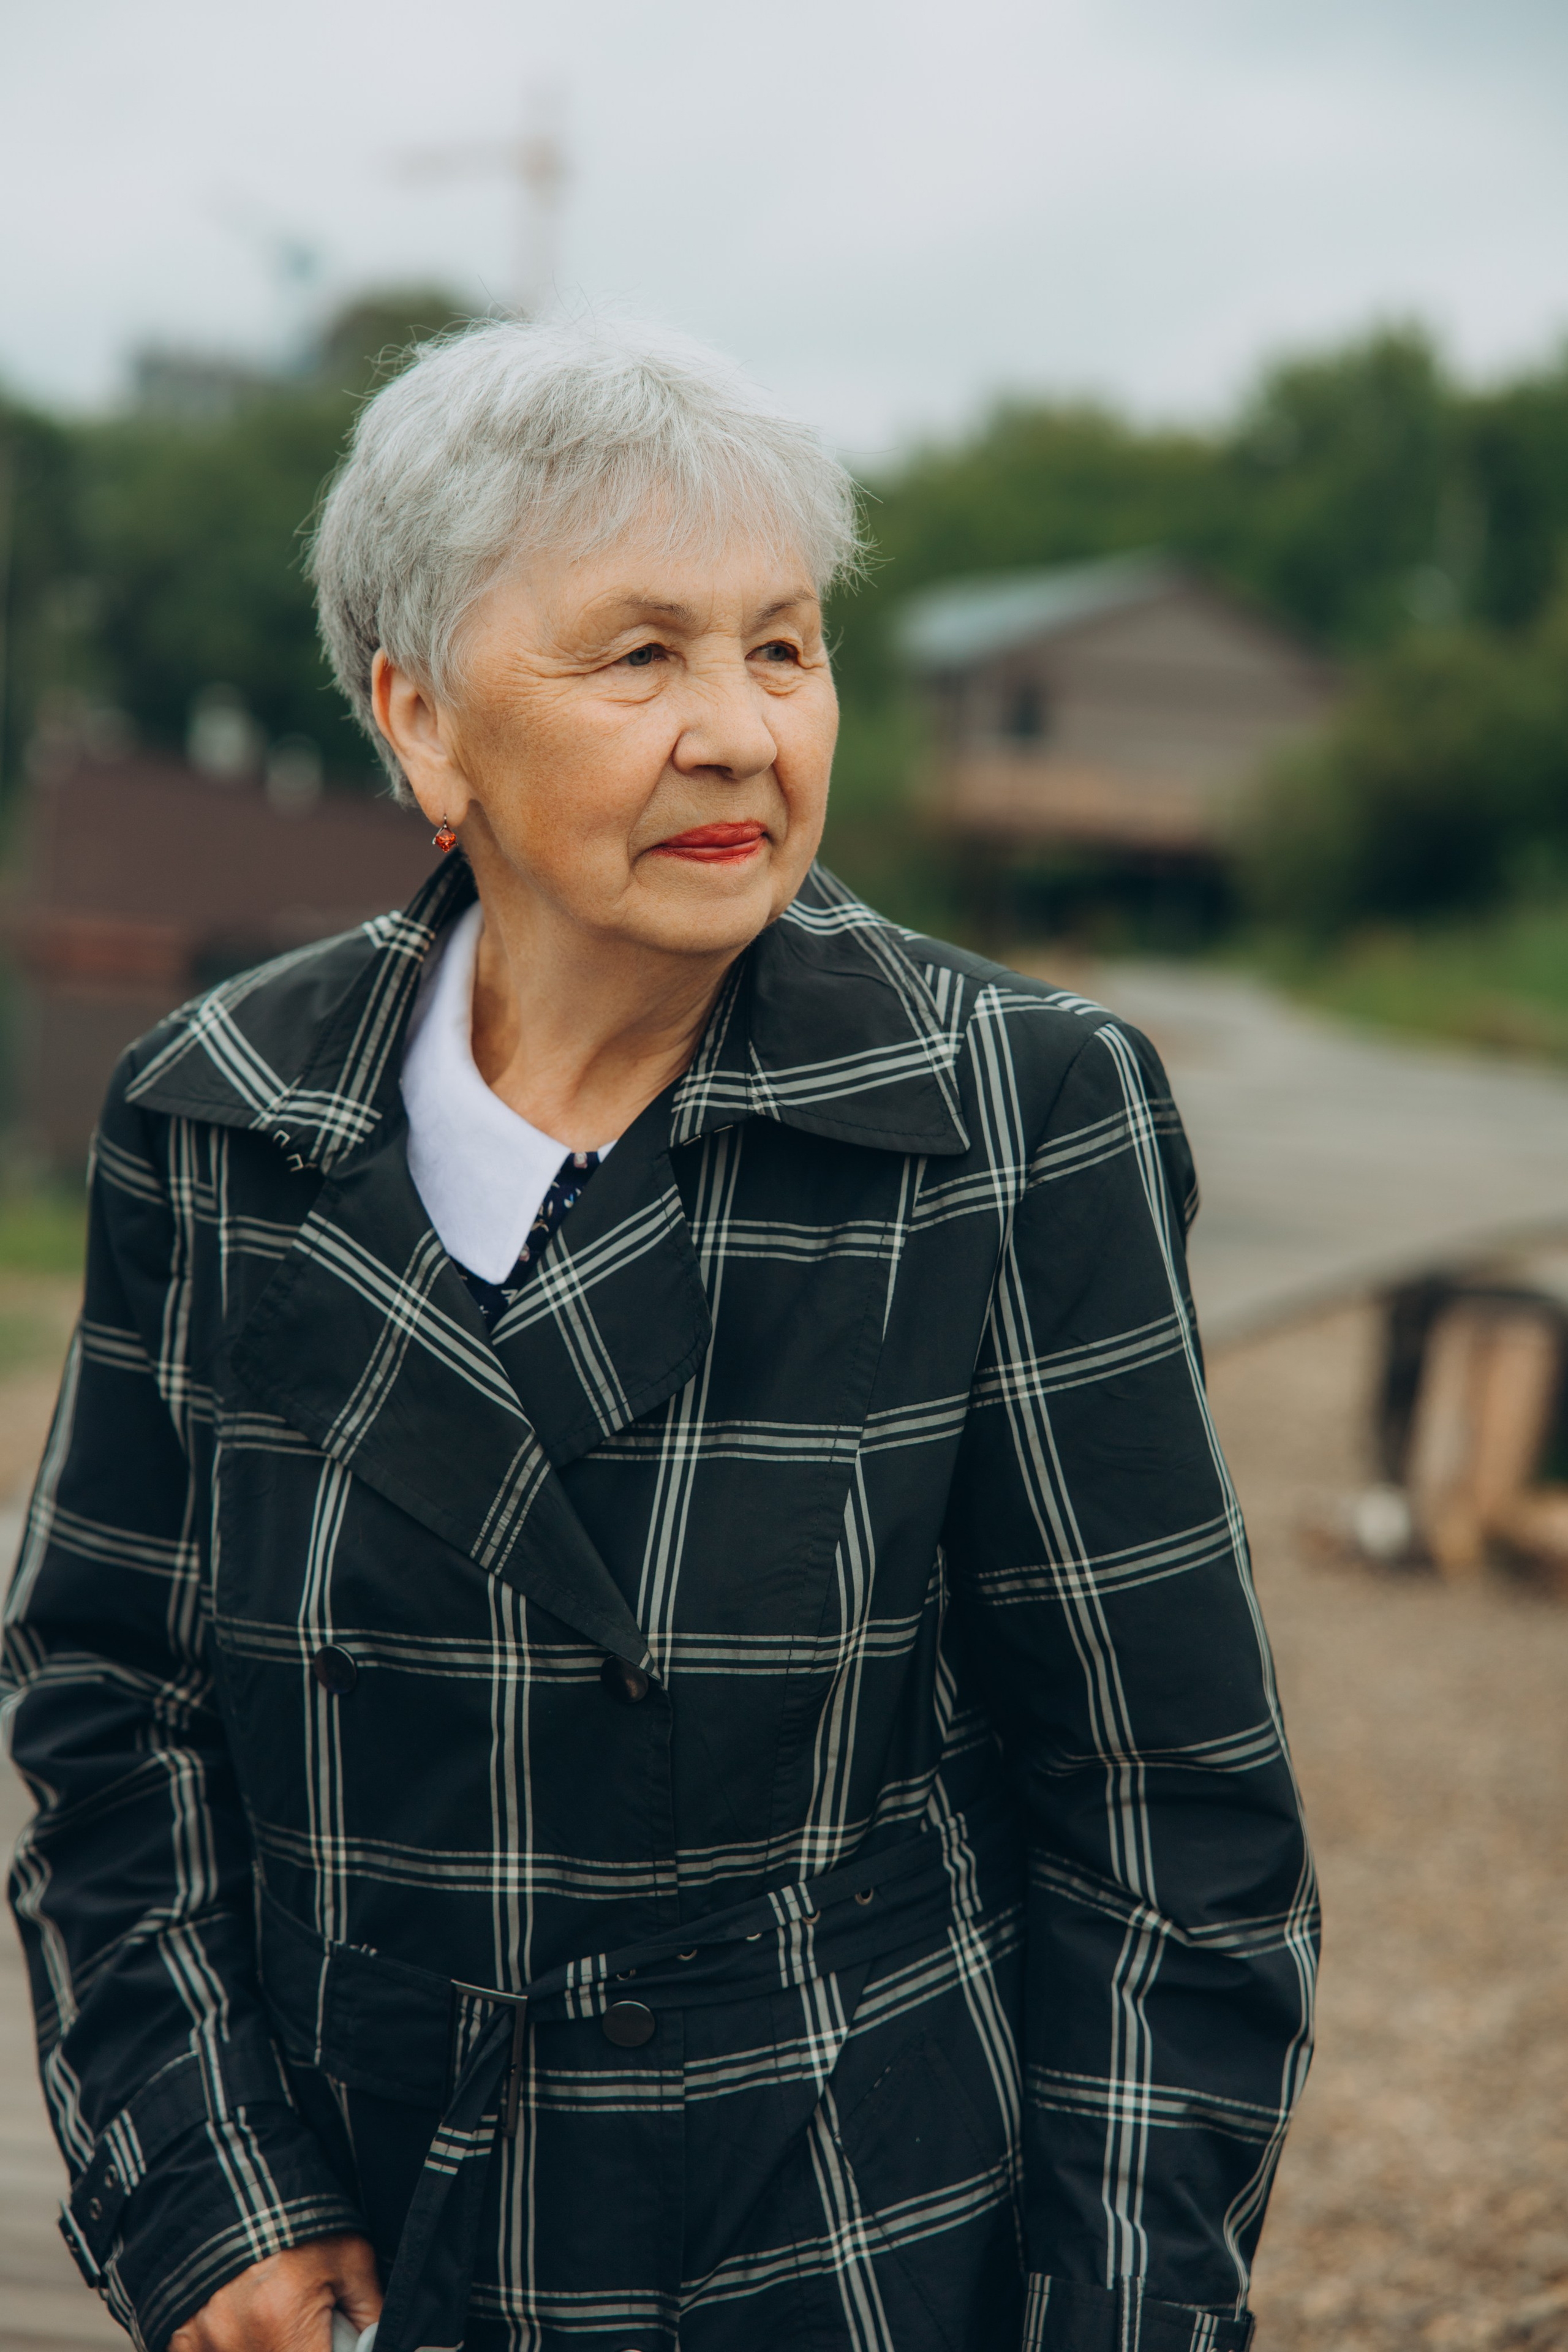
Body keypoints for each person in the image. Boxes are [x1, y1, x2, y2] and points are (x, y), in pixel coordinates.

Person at [2, 319, 1317, 2352]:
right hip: (365, 2247)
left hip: (844, 2247)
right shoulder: (221, 1117)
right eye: (641, 657)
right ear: (424, 724)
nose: (740, 733)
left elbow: (1168, 1815)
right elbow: (114, 1711)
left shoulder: (1010, 1113)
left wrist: (1124, 2318)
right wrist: (209, 2189)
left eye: (781, 648)